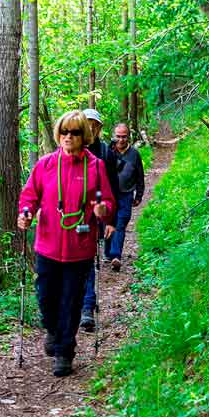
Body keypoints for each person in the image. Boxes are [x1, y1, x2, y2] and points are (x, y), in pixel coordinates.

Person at [17, 110, 115, 377]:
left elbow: (105, 200)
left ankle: (64, 352)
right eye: (64, 131)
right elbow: (29, 196)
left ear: (84, 136)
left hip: (79, 248)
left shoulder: (95, 167)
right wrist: (26, 214)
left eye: (74, 132)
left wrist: (103, 210)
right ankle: (52, 329)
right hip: (47, 245)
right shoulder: (46, 165)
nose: (68, 137)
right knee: (46, 298)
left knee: (71, 302)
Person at [79, 108, 117, 332]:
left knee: (87, 260)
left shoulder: (105, 153)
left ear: (100, 128)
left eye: (95, 124)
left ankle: (87, 308)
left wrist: (111, 221)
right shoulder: (69, 149)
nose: (91, 128)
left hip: (95, 217)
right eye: (88, 123)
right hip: (70, 218)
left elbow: (113, 188)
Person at [106, 122, 145, 271]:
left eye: (124, 136)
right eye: (118, 136)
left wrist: (139, 195)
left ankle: (116, 255)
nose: (121, 139)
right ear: (114, 136)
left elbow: (140, 176)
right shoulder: (109, 151)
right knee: (109, 222)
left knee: (121, 222)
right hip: (109, 194)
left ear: (129, 137)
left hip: (126, 194)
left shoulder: (134, 154)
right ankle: (109, 252)